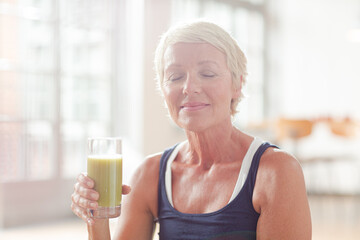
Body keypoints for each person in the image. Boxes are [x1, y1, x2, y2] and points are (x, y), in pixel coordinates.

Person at [71, 20, 312, 240]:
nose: (189, 87)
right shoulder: (150, 175)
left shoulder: (275, 172)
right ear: (163, 90)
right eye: (175, 76)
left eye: (207, 73)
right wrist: (96, 220)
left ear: (237, 84)